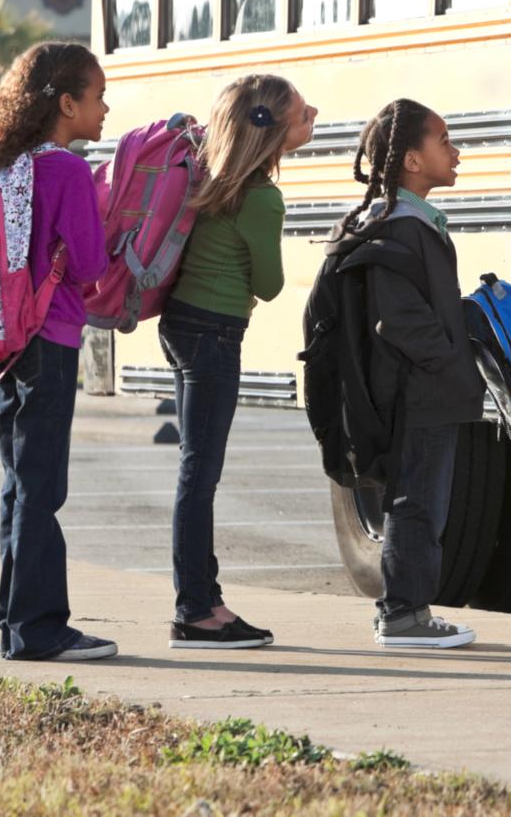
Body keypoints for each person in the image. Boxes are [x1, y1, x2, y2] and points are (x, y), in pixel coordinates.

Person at [0, 41, 114, 661]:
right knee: (42, 487)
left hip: (10, 343)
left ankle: (16, 623)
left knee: (19, 484)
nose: (105, 108)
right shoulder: (65, 169)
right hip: (52, 338)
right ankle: (39, 629)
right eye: (96, 98)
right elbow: (90, 265)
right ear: (65, 103)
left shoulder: (8, 165)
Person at [160, 74, 316, 649]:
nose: (314, 114)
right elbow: (271, 285)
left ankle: (207, 599)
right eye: (303, 115)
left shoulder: (213, 177)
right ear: (272, 132)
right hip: (215, 335)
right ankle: (195, 611)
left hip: (180, 324)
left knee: (195, 471)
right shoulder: (262, 197)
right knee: (199, 477)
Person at [332, 98, 484, 648]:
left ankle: (409, 610)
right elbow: (400, 320)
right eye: (444, 140)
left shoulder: (405, 222)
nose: (456, 151)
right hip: (420, 394)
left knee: (421, 501)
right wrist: (454, 365)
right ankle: (403, 615)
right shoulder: (401, 228)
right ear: (413, 161)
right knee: (419, 501)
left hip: (421, 389)